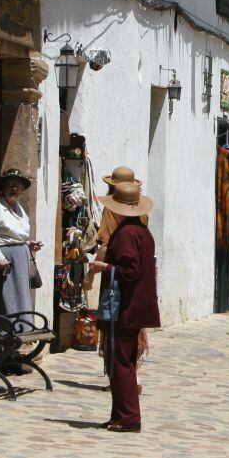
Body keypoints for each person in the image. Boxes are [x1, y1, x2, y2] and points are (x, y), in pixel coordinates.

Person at [87, 182, 160, 433]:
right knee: (122, 360)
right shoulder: (141, 232)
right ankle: (119, 415)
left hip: (126, 308)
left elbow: (129, 272)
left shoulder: (128, 234)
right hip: (134, 307)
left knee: (121, 362)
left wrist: (104, 267)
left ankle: (129, 417)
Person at [85, 166, 150, 394]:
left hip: (115, 272)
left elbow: (105, 244)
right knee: (134, 328)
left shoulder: (113, 209)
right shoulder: (141, 212)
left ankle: (123, 377)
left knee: (115, 326)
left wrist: (92, 274)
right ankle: (134, 374)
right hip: (139, 275)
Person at [0, 168, 43, 372]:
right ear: (2, 187)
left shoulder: (19, 209)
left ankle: (12, 351)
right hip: (5, 265)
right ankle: (0, 352)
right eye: (10, 184)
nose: (14, 188)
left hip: (20, 263)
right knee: (5, 305)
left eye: (17, 185)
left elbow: (18, 237)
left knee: (18, 304)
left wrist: (28, 245)